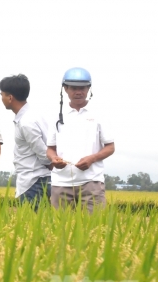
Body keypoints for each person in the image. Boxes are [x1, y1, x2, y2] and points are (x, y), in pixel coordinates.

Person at [47, 67, 115, 212]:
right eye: (73, 88)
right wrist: (54, 159)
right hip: (61, 182)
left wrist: (92, 158)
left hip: (92, 182)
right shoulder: (56, 115)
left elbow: (110, 147)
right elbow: (50, 149)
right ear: (65, 89)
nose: (78, 92)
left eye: (82, 88)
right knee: (60, 231)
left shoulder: (99, 114)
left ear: (88, 88)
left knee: (95, 230)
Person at [0, 74, 52, 210]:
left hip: (33, 183)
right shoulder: (34, 116)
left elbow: (44, 154)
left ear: (10, 98)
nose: (1, 98)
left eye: (2, 95)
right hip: (37, 181)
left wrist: (52, 164)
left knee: (31, 228)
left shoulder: (26, 122)